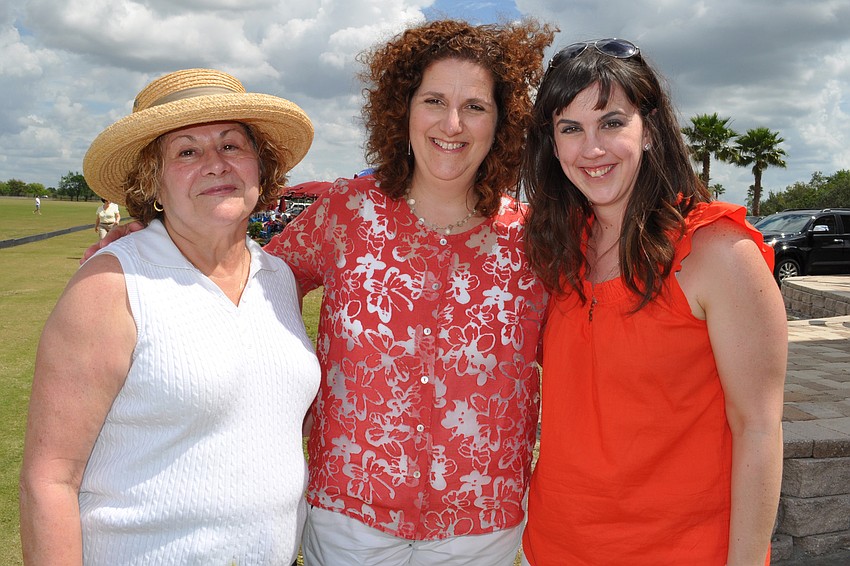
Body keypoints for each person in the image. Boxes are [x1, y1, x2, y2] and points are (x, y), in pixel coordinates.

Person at [263, 19, 554, 565]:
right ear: (403, 109)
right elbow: (249, 284)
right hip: (349, 520)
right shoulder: (347, 212)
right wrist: (163, 236)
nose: (452, 123)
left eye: (475, 106)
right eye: (434, 100)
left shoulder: (534, 239)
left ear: (503, 122)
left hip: (480, 529)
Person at [19, 68, 320, 565]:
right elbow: (49, 479)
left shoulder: (279, 278)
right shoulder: (113, 283)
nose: (215, 164)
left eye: (232, 145)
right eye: (186, 151)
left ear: (260, 168)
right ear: (152, 181)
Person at [519, 39, 787, 565]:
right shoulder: (555, 248)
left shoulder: (717, 250)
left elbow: (758, 426)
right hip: (551, 547)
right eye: (570, 129)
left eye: (612, 122)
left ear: (650, 129)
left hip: (682, 552)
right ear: (552, 145)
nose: (591, 148)